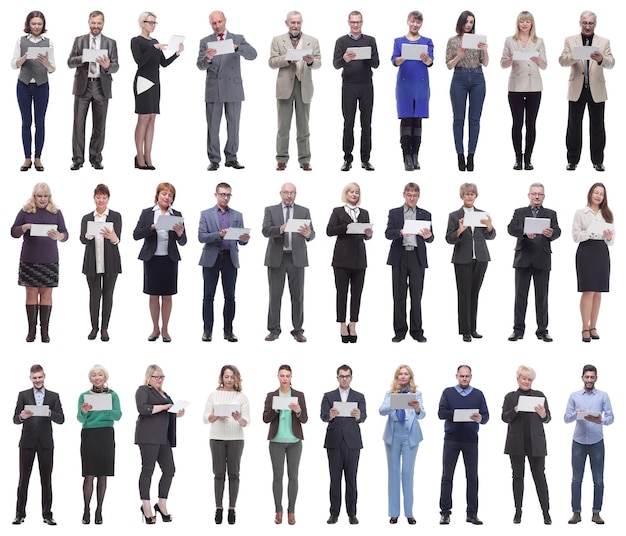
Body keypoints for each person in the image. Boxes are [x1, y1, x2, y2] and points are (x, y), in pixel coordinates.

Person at [197, 11, 257, 171]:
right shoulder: (205, 41)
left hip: (233, 87)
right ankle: (214, 159)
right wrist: (208, 58)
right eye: (213, 23)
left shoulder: (238, 38)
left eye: (219, 22)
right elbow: (200, 65)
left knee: (234, 125)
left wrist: (237, 47)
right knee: (213, 127)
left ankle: (231, 157)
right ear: (210, 24)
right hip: (213, 88)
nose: (217, 26)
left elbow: (253, 55)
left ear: (225, 21)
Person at [11, 182, 68, 343]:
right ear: (34, 196)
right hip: (29, 258)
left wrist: (59, 236)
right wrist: (23, 227)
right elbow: (13, 232)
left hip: (49, 259)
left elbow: (65, 233)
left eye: (45, 196)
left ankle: (45, 332)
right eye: (39, 196)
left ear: (49, 197)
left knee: (46, 294)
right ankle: (31, 332)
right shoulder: (25, 211)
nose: (42, 199)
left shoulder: (56, 212)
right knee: (30, 293)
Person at [559, 11, 614, 172]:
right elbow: (562, 60)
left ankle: (598, 161)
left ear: (595, 24)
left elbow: (611, 62)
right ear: (580, 23)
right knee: (574, 126)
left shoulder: (604, 42)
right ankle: (572, 160)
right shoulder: (570, 40)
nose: (587, 26)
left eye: (590, 23)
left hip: (596, 89)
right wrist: (576, 55)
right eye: (585, 23)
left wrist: (601, 59)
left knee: (597, 126)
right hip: (577, 88)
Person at [133, 182, 187, 343]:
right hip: (152, 259)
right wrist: (153, 227)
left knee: (168, 296)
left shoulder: (176, 214)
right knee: (153, 295)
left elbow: (184, 241)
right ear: (157, 195)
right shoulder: (148, 213)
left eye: (170, 195)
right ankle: (155, 328)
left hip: (170, 259)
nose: (167, 197)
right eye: (164, 194)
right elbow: (136, 234)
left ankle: (165, 330)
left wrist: (179, 233)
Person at [507, 183, 561, 342]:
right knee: (520, 296)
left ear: (543, 196)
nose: (537, 196)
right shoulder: (519, 212)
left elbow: (558, 230)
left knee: (542, 297)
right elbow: (511, 228)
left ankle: (543, 330)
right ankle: (518, 330)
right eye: (534, 193)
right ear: (529, 195)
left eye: (540, 194)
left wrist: (552, 233)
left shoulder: (551, 213)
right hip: (523, 258)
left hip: (542, 259)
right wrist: (523, 232)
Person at [262, 182, 315, 342]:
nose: (289, 195)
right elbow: (265, 230)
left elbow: (312, 235)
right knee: (275, 295)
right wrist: (280, 228)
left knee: (298, 296)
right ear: (280, 194)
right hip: (277, 258)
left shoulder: (304, 211)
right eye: (286, 192)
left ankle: (298, 330)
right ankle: (274, 330)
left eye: (292, 193)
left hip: (296, 258)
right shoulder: (270, 210)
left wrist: (308, 234)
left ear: (295, 194)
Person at [13, 364, 65, 525]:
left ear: (44, 376)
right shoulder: (23, 395)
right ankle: (19, 514)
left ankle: (47, 515)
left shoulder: (53, 396)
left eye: (40, 377)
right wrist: (21, 416)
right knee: (23, 479)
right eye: (34, 377)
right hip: (27, 443)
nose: (37, 380)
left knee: (46, 480)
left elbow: (61, 419)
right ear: (30, 378)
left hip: (46, 443)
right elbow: (15, 419)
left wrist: (50, 413)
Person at [269, 11, 321, 171]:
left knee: (304, 127)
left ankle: (305, 159)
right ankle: (281, 159)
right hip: (285, 87)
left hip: (304, 86)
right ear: (287, 23)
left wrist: (312, 61)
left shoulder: (312, 41)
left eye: (298, 23)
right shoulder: (277, 40)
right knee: (283, 127)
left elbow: (319, 62)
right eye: (292, 22)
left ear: (302, 23)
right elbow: (271, 62)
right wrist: (287, 59)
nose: (295, 25)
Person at [67, 10, 119, 170]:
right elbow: (70, 62)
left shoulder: (111, 43)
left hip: (101, 87)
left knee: (99, 125)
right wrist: (84, 57)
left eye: (99, 23)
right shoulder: (79, 40)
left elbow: (116, 66)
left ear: (103, 24)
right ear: (89, 22)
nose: (96, 26)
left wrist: (107, 66)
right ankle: (77, 159)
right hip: (83, 86)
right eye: (93, 23)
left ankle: (95, 158)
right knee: (78, 124)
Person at [131, 11, 183, 170]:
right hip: (143, 82)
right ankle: (139, 156)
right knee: (143, 119)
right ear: (142, 23)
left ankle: (148, 156)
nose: (153, 25)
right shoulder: (136, 40)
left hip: (155, 83)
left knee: (152, 118)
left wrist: (176, 54)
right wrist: (154, 48)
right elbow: (140, 61)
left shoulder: (155, 41)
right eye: (150, 22)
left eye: (155, 23)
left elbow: (163, 63)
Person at [199, 182, 250, 342]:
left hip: (230, 258)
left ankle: (228, 331)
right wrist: (218, 234)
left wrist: (244, 239)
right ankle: (207, 330)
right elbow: (201, 237)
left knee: (230, 297)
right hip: (211, 258)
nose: (225, 197)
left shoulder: (237, 215)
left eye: (228, 194)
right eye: (222, 194)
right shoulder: (206, 214)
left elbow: (240, 240)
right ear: (216, 195)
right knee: (208, 296)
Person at [438, 365, 489, 526]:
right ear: (456, 376)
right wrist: (457, 414)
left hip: (471, 440)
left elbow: (486, 416)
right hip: (452, 439)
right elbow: (441, 413)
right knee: (447, 476)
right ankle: (445, 512)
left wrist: (480, 418)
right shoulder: (448, 392)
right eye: (462, 376)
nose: (464, 378)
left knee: (472, 477)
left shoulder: (478, 394)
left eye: (467, 376)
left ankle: (472, 513)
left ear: (471, 377)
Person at [564, 365, 614, 525]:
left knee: (598, 479)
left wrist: (602, 420)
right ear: (582, 378)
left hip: (596, 442)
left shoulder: (603, 396)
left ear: (596, 378)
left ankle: (596, 513)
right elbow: (566, 418)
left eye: (592, 377)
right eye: (587, 377)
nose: (589, 380)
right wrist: (576, 415)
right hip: (578, 442)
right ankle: (576, 512)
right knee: (576, 479)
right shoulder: (574, 396)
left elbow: (611, 417)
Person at [445, 183, 495, 342]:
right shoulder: (454, 215)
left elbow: (491, 236)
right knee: (464, 294)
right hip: (462, 259)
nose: (469, 196)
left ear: (476, 196)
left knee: (474, 294)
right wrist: (460, 229)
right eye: (467, 194)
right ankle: (465, 330)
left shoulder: (482, 214)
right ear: (462, 196)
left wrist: (489, 226)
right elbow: (449, 238)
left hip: (480, 257)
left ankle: (473, 328)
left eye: (472, 194)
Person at [502, 365, 551, 525]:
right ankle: (518, 511)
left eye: (529, 379)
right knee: (517, 477)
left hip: (535, 443)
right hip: (516, 443)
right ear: (518, 379)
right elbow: (504, 418)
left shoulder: (539, 395)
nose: (526, 381)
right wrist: (515, 409)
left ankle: (546, 512)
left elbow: (548, 418)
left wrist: (544, 415)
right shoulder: (510, 397)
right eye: (524, 378)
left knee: (540, 477)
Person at [135, 364, 185, 524]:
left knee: (169, 470)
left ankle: (161, 503)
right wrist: (164, 407)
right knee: (148, 470)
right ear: (149, 377)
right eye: (156, 376)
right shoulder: (143, 390)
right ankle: (146, 506)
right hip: (148, 436)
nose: (159, 379)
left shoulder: (165, 394)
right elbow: (143, 409)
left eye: (161, 377)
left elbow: (166, 414)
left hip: (164, 438)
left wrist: (176, 413)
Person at [385, 182, 433, 343]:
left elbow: (431, 237)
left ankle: (417, 331)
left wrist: (428, 237)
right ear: (404, 195)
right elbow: (388, 234)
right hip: (399, 256)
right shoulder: (395, 213)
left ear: (418, 196)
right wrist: (399, 232)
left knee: (416, 297)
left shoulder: (425, 214)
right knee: (398, 296)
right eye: (409, 195)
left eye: (415, 195)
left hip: (417, 258)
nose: (412, 198)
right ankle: (399, 331)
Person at [500, 11, 547, 170]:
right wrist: (513, 58)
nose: (525, 24)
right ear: (518, 24)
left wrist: (537, 59)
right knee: (517, 123)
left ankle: (528, 158)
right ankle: (517, 158)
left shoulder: (538, 41)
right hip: (516, 87)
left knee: (531, 123)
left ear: (532, 24)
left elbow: (545, 65)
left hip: (534, 87)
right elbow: (502, 64)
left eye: (527, 21)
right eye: (522, 21)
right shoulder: (510, 41)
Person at [203, 365, 250, 525]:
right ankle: (218, 508)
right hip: (216, 438)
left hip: (236, 439)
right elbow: (205, 418)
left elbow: (246, 422)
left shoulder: (242, 397)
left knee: (234, 474)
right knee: (218, 474)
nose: (229, 379)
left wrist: (238, 419)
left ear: (236, 378)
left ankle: (231, 509)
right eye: (226, 376)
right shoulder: (214, 395)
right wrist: (216, 415)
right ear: (221, 377)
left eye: (232, 377)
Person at [326, 183, 372, 343]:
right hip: (342, 258)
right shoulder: (337, 211)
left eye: (357, 192)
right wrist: (345, 227)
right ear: (346, 194)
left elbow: (366, 236)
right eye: (352, 192)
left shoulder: (364, 213)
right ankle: (342, 324)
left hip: (359, 258)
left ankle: (353, 323)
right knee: (342, 293)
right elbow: (329, 231)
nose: (354, 194)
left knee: (357, 294)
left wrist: (368, 234)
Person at [333, 10, 379, 171]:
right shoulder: (341, 41)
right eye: (353, 22)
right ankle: (347, 159)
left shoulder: (370, 40)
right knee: (348, 123)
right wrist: (345, 59)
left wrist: (365, 56)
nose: (355, 25)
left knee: (366, 124)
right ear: (348, 22)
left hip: (366, 85)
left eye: (358, 22)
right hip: (349, 86)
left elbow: (376, 63)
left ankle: (365, 159)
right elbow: (335, 64)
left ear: (362, 22)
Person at [379, 364, 424, 525]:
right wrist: (394, 404)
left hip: (410, 435)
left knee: (407, 473)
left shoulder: (416, 394)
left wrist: (417, 408)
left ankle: (409, 513)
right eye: (400, 374)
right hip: (393, 435)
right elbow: (381, 411)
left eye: (406, 374)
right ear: (397, 377)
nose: (403, 376)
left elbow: (422, 415)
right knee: (393, 473)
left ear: (410, 377)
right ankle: (394, 512)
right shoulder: (390, 394)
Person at [321, 365, 366, 525]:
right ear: (337, 377)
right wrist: (329, 415)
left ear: (351, 377)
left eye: (347, 376)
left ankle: (352, 513)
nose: (344, 378)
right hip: (334, 441)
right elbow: (323, 416)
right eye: (341, 376)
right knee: (334, 479)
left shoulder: (359, 396)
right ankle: (334, 513)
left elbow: (364, 416)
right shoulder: (328, 396)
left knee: (351, 479)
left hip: (352, 442)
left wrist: (359, 416)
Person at [262, 365, 308, 525]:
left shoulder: (298, 395)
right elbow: (265, 419)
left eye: (287, 375)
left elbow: (305, 419)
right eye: (282, 375)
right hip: (276, 442)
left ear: (291, 377)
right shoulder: (271, 395)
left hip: (295, 441)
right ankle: (278, 510)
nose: (284, 378)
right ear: (278, 377)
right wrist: (274, 410)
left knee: (293, 477)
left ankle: (292, 511)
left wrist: (298, 411)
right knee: (277, 477)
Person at [76, 365, 122, 525]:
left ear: (105, 377)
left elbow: (118, 415)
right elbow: (80, 419)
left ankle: (99, 509)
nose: (97, 377)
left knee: (102, 474)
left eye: (100, 374)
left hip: (106, 434)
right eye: (94, 375)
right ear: (90, 378)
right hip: (89, 434)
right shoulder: (84, 396)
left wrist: (106, 408)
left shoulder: (113, 395)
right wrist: (84, 411)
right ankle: (86, 508)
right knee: (89, 474)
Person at [446, 10, 488, 172]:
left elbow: (485, 63)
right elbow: (449, 65)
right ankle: (460, 155)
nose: (469, 25)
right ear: (461, 23)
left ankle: (471, 156)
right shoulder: (453, 41)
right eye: (466, 22)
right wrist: (459, 55)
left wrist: (484, 50)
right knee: (458, 118)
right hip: (459, 78)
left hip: (477, 77)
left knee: (475, 119)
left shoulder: (478, 40)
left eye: (471, 22)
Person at [13, 10, 55, 172]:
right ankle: (27, 158)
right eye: (34, 23)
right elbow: (13, 64)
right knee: (26, 122)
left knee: (40, 122)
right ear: (28, 24)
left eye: (39, 24)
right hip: (23, 85)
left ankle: (38, 158)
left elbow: (52, 68)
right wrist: (23, 58)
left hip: (42, 85)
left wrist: (46, 63)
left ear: (43, 25)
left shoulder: (48, 42)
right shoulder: (21, 41)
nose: (37, 26)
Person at [392, 10, 433, 171]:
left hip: (421, 84)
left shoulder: (427, 41)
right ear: (408, 21)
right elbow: (394, 61)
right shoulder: (399, 41)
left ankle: (416, 155)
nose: (415, 25)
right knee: (406, 118)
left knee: (418, 120)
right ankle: (406, 156)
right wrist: (404, 56)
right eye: (413, 21)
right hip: (405, 84)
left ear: (421, 24)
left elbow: (430, 62)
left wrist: (427, 60)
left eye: (418, 22)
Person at [79, 184, 122, 342]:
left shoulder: (116, 216)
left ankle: (104, 328)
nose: (101, 200)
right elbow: (82, 239)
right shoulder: (87, 218)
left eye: (104, 197)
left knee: (108, 295)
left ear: (108, 199)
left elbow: (118, 240)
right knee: (94, 295)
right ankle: (94, 327)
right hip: (92, 262)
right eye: (98, 197)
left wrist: (113, 237)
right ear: (94, 198)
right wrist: (89, 235)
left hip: (111, 262)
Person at [573, 183, 614, 342]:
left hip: (602, 251)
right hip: (586, 251)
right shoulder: (581, 213)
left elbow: (611, 240)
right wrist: (591, 230)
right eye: (596, 192)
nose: (598, 196)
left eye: (601, 194)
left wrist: (609, 236)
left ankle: (593, 326)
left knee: (598, 292)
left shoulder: (607, 214)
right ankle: (584, 327)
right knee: (588, 290)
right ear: (590, 194)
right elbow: (575, 236)